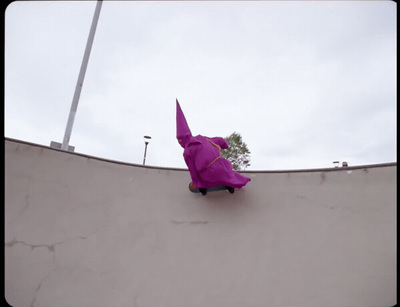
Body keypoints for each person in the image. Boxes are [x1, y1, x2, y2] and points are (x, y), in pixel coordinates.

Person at [176, 99, 251, 194]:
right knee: (226, 167)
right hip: (222, 169)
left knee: (201, 175)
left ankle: (202, 188)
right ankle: (231, 183)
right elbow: (219, 140)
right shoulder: (203, 138)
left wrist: (195, 183)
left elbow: (192, 171)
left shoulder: (187, 152)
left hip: (207, 174)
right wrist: (225, 145)